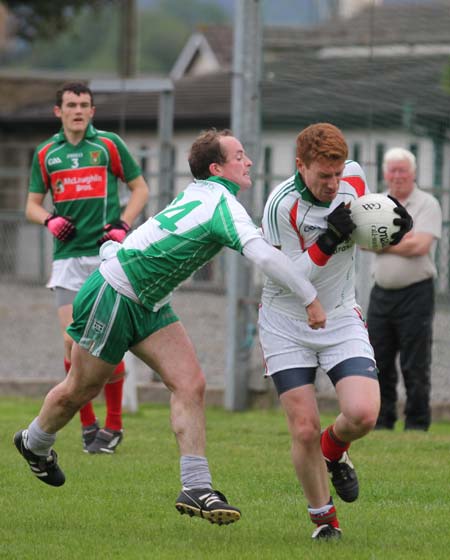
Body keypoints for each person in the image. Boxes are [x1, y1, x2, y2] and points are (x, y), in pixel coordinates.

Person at [14, 128, 328, 526]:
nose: (249, 162)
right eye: (240, 156)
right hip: (116, 293)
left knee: (191, 383)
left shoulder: (207, 195)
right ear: (217, 168)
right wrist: (309, 298)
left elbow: (163, 232)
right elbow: (263, 257)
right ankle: (34, 441)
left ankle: (196, 487)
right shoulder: (220, 205)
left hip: (148, 300)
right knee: (81, 388)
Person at [257, 123, 412, 540]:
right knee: (303, 426)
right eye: (323, 175)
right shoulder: (281, 206)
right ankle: (325, 522)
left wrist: (394, 222)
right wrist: (328, 239)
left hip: (341, 314)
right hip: (287, 321)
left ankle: (334, 450)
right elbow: (292, 277)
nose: (333, 184)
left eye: (337, 174)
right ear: (300, 166)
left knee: (363, 415)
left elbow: (370, 232)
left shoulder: (354, 180)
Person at [24, 81, 150, 454]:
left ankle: (113, 426)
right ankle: (87, 423)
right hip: (66, 260)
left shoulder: (108, 145)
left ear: (92, 111)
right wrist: (48, 220)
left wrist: (123, 224)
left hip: (105, 257)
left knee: (109, 344)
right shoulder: (47, 153)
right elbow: (31, 204)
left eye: (84, 105)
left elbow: (140, 188)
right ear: (58, 112)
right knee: (71, 341)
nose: (78, 110)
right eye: (71, 105)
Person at [367, 148, 442, 431]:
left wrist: (382, 241)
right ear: (385, 173)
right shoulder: (377, 203)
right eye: (392, 170)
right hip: (381, 294)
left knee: (415, 364)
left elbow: (420, 246)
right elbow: (362, 242)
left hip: (416, 294)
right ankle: (382, 422)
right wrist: (403, 239)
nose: (397, 176)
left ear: (413, 173)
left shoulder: (427, 204)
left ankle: (417, 424)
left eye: (403, 170)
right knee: (379, 361)